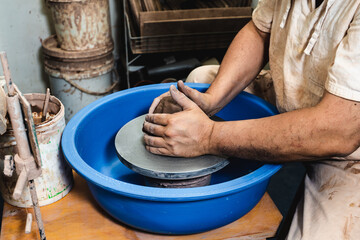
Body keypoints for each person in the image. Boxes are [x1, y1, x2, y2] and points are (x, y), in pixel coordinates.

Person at [142, 0, 360, 239]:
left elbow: (339, 130)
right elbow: (259, 31)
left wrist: (208, 137)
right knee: (200, 77)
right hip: (291, 95)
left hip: (347, 144)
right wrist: (212, 100)